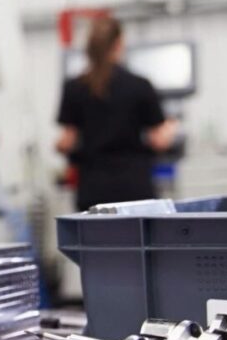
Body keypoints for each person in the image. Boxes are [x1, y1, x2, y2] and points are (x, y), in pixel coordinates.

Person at [55, 16, 180, 211]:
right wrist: (171, 126)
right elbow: (159, 141)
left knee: (94, 241)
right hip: (134, 189)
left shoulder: (74, 88)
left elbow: (66, 143)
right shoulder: (139, 85)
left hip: (92, 189)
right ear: (119, 44)